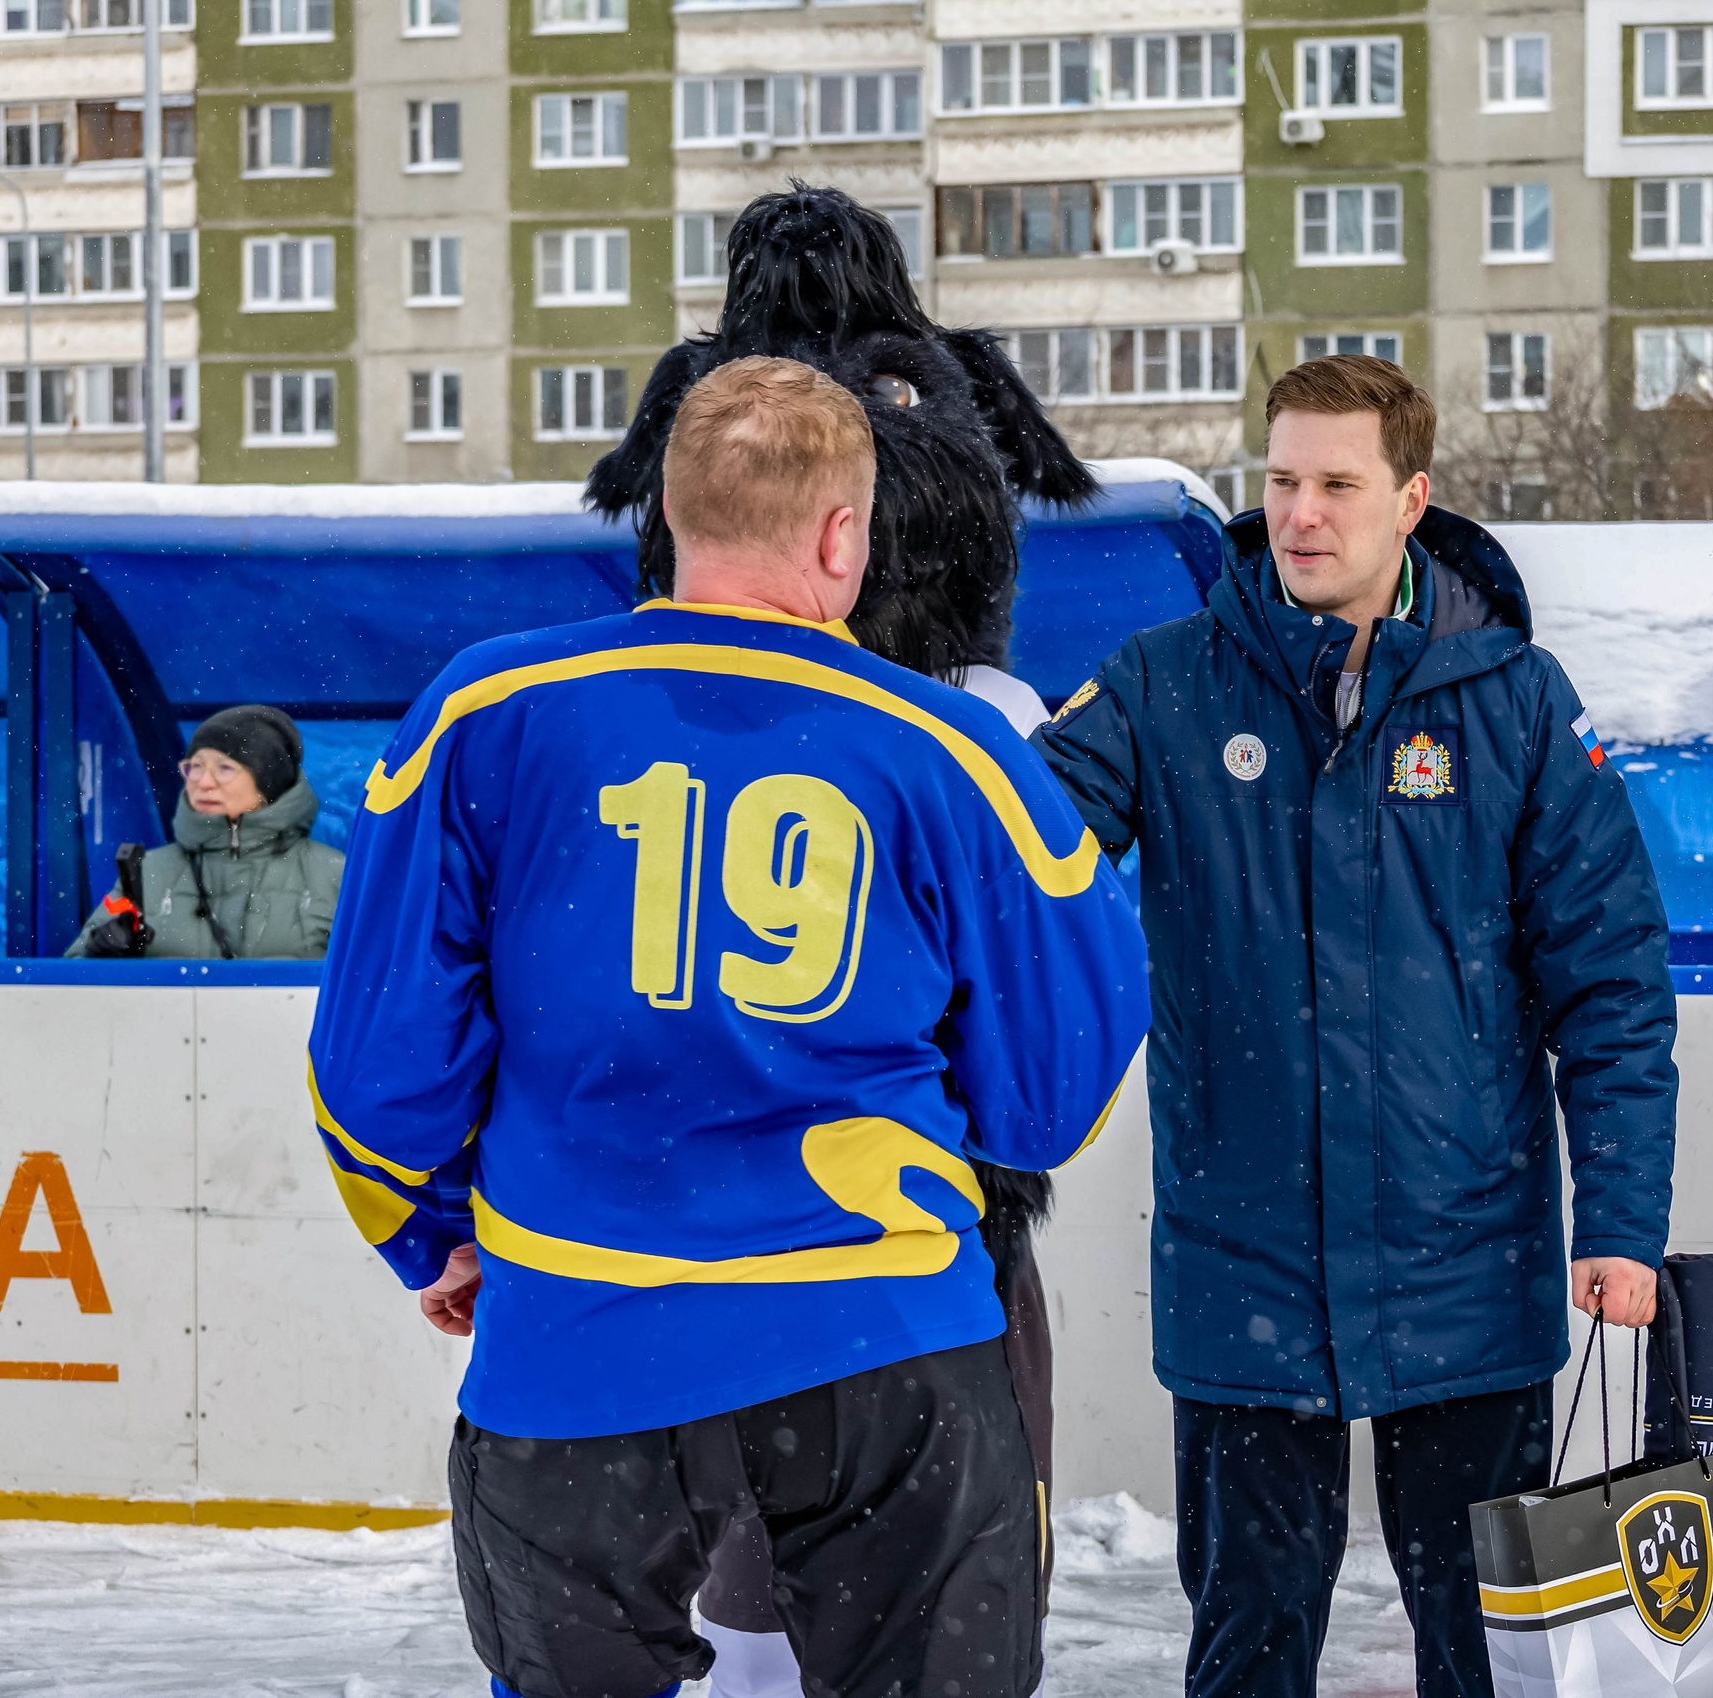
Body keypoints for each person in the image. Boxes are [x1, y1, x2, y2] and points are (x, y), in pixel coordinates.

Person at [308, 355, 1149, 1698]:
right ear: (841, 534)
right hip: (883, 1342)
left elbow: (372, 1067)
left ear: (671, 510)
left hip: (576, 1331)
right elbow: (1060, 1086)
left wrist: (436, 1227)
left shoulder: (484, 712)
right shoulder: (954, 749)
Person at [1031, 355, 1679, 1698]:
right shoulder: (1164, 685)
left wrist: (1620, 1218)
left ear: (1412, 499)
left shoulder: (1514, 701)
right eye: (1280, 481)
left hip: (1469, 1258)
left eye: (1337, 483)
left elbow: (1610, 980)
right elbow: (1014, 855)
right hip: (1244, 1260)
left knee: (1492, 1647)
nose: (1302, 512)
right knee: (1248, 1638)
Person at [66, 704, 342, 960]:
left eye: (225, 769)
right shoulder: (148, 872)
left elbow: (372, 982)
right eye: (195, 768)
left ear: (267, 784)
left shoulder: (334, 875)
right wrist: (98, 953)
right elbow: (68, 984)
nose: (204, 782)